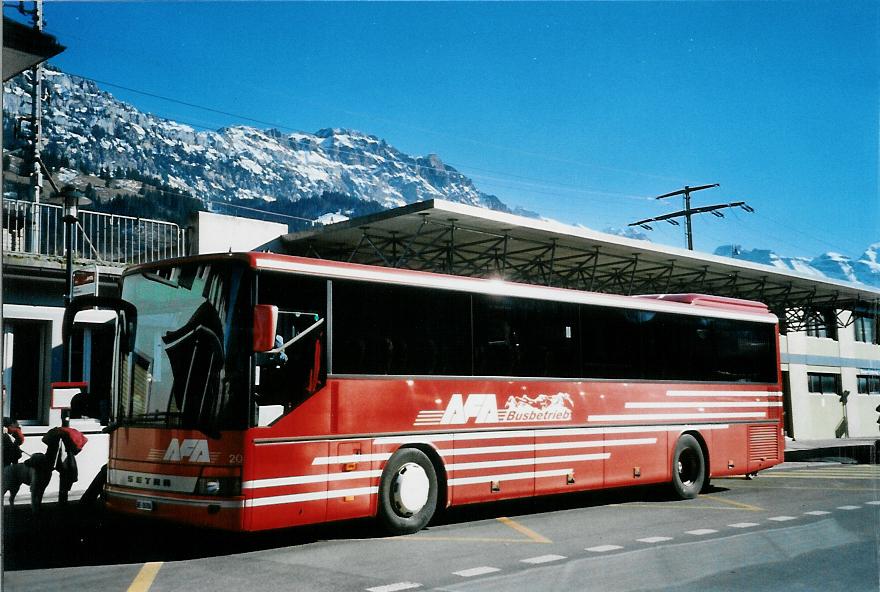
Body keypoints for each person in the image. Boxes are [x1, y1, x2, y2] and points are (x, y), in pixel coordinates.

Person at [42, 410, 87, 505]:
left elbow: (45, 440)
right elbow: (78, 447)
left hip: (57, 458)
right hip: (66, 459)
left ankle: (61, 500)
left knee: (60, 479)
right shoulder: (71, 433)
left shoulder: (56, 432)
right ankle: (63, 501)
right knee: (65, 479)